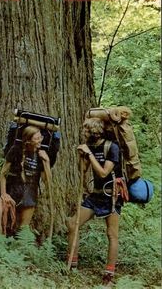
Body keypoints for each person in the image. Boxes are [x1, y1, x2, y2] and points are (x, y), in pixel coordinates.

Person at [67, 117, 124, 286]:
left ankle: (109, 274)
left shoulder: (112, 147)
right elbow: (84, 171)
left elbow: (103, 173)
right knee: (72, 224)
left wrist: (89, 154)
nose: (83, 133)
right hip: (95, 196)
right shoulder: (90, 147)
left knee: (111, 234)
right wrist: (82, 156)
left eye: (86, 130)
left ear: (95, 132)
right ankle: (72, 265)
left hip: (111, 197)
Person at [0, 125, 51, 235]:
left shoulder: (41, 154)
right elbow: (3, 174)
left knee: (22, 229)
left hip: (30, 194)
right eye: (36, 139)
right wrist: (3, 194)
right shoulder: (16, 150)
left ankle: (19, 250)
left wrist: (46, 161)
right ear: (28, 141)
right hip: (13, 190)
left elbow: (46, 180)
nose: (40, 141)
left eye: (41, 137)